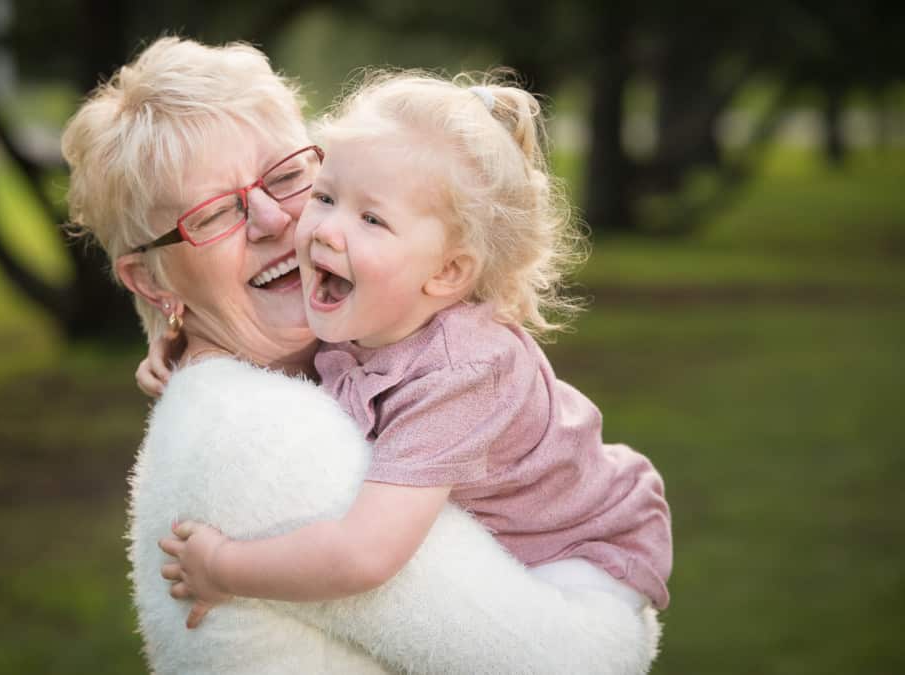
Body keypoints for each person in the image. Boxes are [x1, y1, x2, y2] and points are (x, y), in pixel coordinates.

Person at [65, 36, 661, 674]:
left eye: (290, 177)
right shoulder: (256, 435)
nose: (280, 221)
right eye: (213, 214)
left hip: (592, 553)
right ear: (152, 281)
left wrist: (176, 335)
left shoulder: (396, 343)